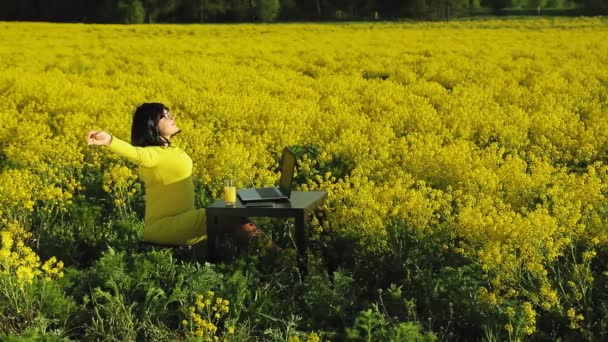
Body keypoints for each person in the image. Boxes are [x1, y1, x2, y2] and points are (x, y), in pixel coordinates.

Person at [86, 102, 260, 250]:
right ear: (152, 124)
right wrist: (109, 140)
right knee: (228, 215)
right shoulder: (151, 154)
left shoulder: (171, 149)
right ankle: (273, 258)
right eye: (164, 115)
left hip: (184, 220)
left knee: (235, 215)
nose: (171, 117)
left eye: (170, 114)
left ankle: (258, 260)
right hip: (166, 226)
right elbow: (135, 153)